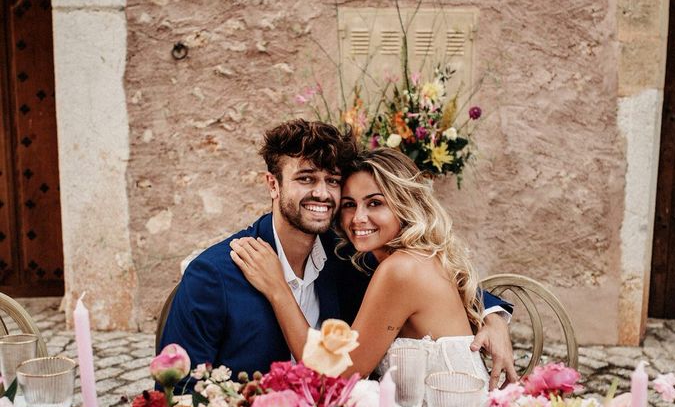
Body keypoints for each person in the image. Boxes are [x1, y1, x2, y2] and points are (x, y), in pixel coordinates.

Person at [159, 121, 515, 386]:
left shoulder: (347, 255)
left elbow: (441, 287)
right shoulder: (215, 274)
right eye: (306, 179)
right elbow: (177, 392)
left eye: (332, 181)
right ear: (272, 184)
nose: (323, 194)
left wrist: (492, 315)